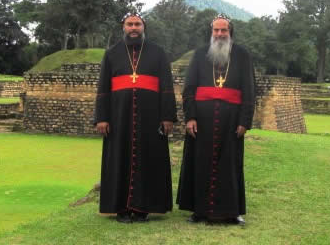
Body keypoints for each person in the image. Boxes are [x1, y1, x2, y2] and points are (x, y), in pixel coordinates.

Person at [94, 12, 176, 223]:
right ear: (123, 27)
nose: (133, 28)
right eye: (129, 24)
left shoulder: (158, 53)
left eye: (137, 24)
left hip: (151, 117)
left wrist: (168, 116)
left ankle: (143, 209)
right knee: (119, 160)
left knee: (150, 160)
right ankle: (120, 209)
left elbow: (167, 87)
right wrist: (101, 118)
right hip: (118, 118)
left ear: (143, 27)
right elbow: (103, 88)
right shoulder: (111, 54)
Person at [177, 15, 255, 225]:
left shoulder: (242, 55)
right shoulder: (200, 54)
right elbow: (189, 88)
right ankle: (198, 211)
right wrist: (190, 117)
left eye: (224, 30)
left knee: (230, 165)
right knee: (199, 163)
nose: (220, 34)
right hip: (202, 120)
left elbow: (249, 90)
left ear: (230, 32)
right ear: (211, 32)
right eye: (216, 30)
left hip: (232, 120)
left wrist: (245, 121)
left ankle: (232, 212)